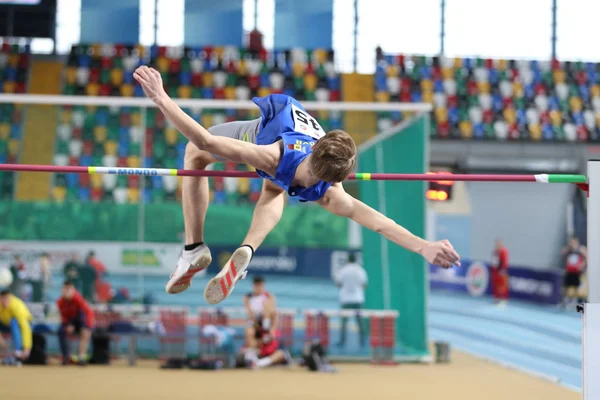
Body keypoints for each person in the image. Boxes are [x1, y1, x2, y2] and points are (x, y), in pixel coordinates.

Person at [133, 66, 461, 305]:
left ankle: (194, 249)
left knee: (195, 155)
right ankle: (247, 249)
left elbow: (202, 139)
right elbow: (380, 223)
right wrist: (423, 247)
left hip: (274, 146)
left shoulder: (272, 157)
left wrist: (161, 98)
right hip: (280, 136)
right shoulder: (331, 193)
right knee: (275, 188)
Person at [56, 280, 95, 365]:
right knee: (61, 331)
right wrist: (68, 325)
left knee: (85, 332)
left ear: (73, 290)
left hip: (82, 320)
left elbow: (86, 313)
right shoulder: (60, 302)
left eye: (69, 289)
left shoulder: (78, 299)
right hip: (69, 321)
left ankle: (81, 357)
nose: (66, 291)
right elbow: (63, 316)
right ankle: (65, 357)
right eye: (65, 289)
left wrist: (86, 326)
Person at [335, 253, 367, 347]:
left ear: (348, 260)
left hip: (346, 299)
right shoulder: (360, 270)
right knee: (360, 322)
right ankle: (362, 341)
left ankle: (342, 341)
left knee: (344, 322)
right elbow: (364, 284)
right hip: (358, 299)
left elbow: (338, 284)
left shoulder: (343, 270)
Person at [243, 276, 278, 360]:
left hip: (266, 320)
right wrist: (256, 325)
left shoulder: (269, 296)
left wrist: (272, 328)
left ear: (263, 286)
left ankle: (265, 329)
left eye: (260, 285)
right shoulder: (248, 297)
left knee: (268, 308)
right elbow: (250, 313)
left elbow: (273, 313)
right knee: (249, 332)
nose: (258, 288)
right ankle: (253, 353)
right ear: (254, 286)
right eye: (256, 286)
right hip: (254, 321)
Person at [0, 287, 32, 365]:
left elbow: (25, 328)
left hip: (22, 324)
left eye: (7, 298)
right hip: (5, 323)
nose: (5, 301)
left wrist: (27, 348)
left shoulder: (17, 306)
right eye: (3, 299)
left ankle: (18, 351)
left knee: (14, 323)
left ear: (10, 297)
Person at [561, 236, 587, 308]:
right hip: (569, 271)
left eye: (574, 242)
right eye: (571, 242)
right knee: (566, 286)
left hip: (576, 271)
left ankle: (574, 301)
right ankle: (565, 301)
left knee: (576, 287)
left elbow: (586, 256)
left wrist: (582, 265)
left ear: (577, 242)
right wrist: (568, 247)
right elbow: (562, 252)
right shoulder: (569, 250)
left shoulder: (580, 249)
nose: (573, 243)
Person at [490, 239, 509, 306]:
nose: (497, 245)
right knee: (495, 285)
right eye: (496, 244)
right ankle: (496, 298)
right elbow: (493, 262)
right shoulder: (495, 251)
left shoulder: (504, 251)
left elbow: (504, 261)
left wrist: (503, 270)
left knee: (502, 286)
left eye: (499, 243)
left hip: (501, 271)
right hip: (495, 271)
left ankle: (503, 299)